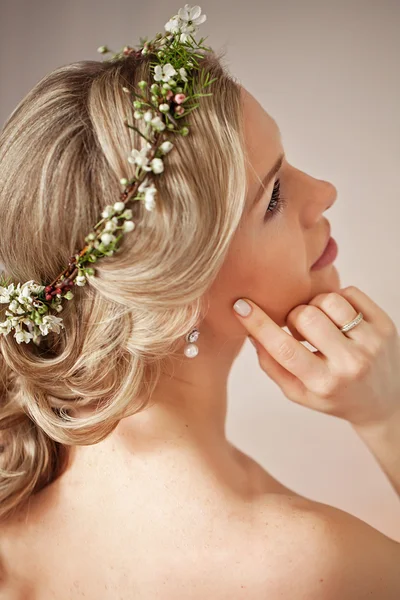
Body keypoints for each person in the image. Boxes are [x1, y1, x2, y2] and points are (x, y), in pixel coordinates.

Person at [0, 5, 399, 598]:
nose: (324, 193)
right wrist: (388, 415)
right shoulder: (307, 565)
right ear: (173, 294)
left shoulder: (18, 520)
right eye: (273, 198)